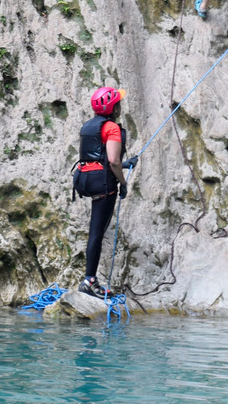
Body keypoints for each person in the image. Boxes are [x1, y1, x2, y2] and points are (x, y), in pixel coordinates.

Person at [73, 85, 137, 298]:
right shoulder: (112, 128)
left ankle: (88, 279)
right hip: (103, 184)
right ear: (113, 108)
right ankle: (89, 280)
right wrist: (123, 183)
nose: (120, 106)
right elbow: (112, 160)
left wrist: (125, 164)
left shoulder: (88, 126)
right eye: (118, 103)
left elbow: (97, 156)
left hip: (85, 180)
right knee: (96, 232)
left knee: (95, 230)